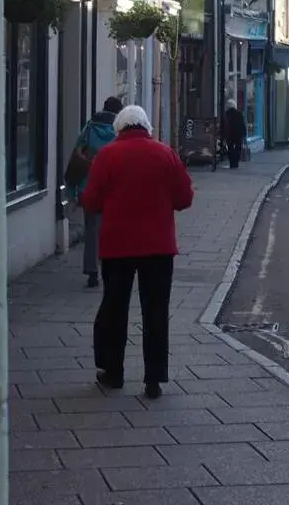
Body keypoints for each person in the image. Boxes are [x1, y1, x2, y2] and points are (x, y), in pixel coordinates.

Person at [81, 104, 194, 399]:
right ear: (146, 127)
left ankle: (112, 373)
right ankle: (153, 379)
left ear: (119, 129)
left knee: (114, 308)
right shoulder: (165, 153)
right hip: (158, 248)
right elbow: (185, 198)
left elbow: (91, 200)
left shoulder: (107, 155)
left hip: (117, 247)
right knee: (156, 311)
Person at [67, 96, 123, 289]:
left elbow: (76, 157)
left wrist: (73, 190)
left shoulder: (89, 129)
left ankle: (92, 271)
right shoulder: (119, 132)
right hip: (113, 190)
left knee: (92, 229)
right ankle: (111, 267)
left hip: (88, 187)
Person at [222, 98, 247, 169]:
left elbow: (224, 125)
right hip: (238, 134)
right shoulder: (239, 113)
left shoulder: (226, 114)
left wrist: (223, 134)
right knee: (238, 147)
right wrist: (244, 133)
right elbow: (242, 124)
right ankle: (236, 163)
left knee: (230, 148)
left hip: (229, 134)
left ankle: (232, 163)